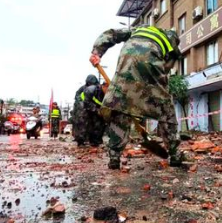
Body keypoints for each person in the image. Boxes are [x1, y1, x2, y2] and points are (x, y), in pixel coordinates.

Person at [89, 26, 183, 170]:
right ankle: (175, 154)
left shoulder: (141, 28)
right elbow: (166, 69)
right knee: (165, 109)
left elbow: (113, 33)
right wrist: (156, 95)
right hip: (150, 61)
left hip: (126, 58)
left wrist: (97, 52)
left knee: (121, 107)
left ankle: (114, 157)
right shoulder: (171, 42)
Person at [73, 75, 99, 146]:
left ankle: (93, 140)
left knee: (94, 125)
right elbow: (77, 95)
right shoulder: (83, 88)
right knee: (82, 124)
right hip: (83, 109)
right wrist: (80, 102)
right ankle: (80, 140)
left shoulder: (97, 88)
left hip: (93, 108)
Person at [81, 81, 107, 146]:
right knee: (86, 124)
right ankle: (82, 140)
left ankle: (96, 142)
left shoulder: (106, 95)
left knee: (100, 124)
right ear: (103, 86)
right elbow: (87, 102)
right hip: (84, 106)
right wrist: (96, 110)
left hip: (96, 109)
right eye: (107, 89)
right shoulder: (91, 90)